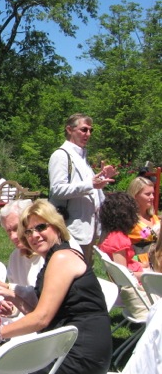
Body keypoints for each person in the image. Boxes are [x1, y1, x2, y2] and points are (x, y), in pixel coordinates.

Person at [0, 199, 112, 374]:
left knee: (3, 362)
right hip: (79, 351)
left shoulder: (61, 258)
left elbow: (41, 318)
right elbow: (37, 310)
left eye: (41, 227)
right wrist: (11, 294)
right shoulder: (55, 256)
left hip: (80, 359)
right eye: (28, 231)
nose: (34, 235)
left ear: (56, 225)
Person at [48, 113, 117, 264]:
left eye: (91, 130)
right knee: (71, 272)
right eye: (84, 130)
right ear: (69, 130)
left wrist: (102, 180)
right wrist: (91, 184)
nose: (88, 134)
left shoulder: (81, 158)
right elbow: (57, 189)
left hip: (87, 229)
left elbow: (90, 188)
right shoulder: (60, 155)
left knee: (84, 273)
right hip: (71, 228)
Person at [98, 192, 152, 321]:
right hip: (138, 287)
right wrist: (146, 274)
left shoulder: (109, 235)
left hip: (138, 275)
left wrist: (140, 264)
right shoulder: (119, 239)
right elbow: (124, 275)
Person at [126, 176, 160, 257]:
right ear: (135, 195)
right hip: (139, 264)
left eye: (153, 193)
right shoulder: (129, 220)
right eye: (148, 194)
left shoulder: (154, 218)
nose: (152, 197)